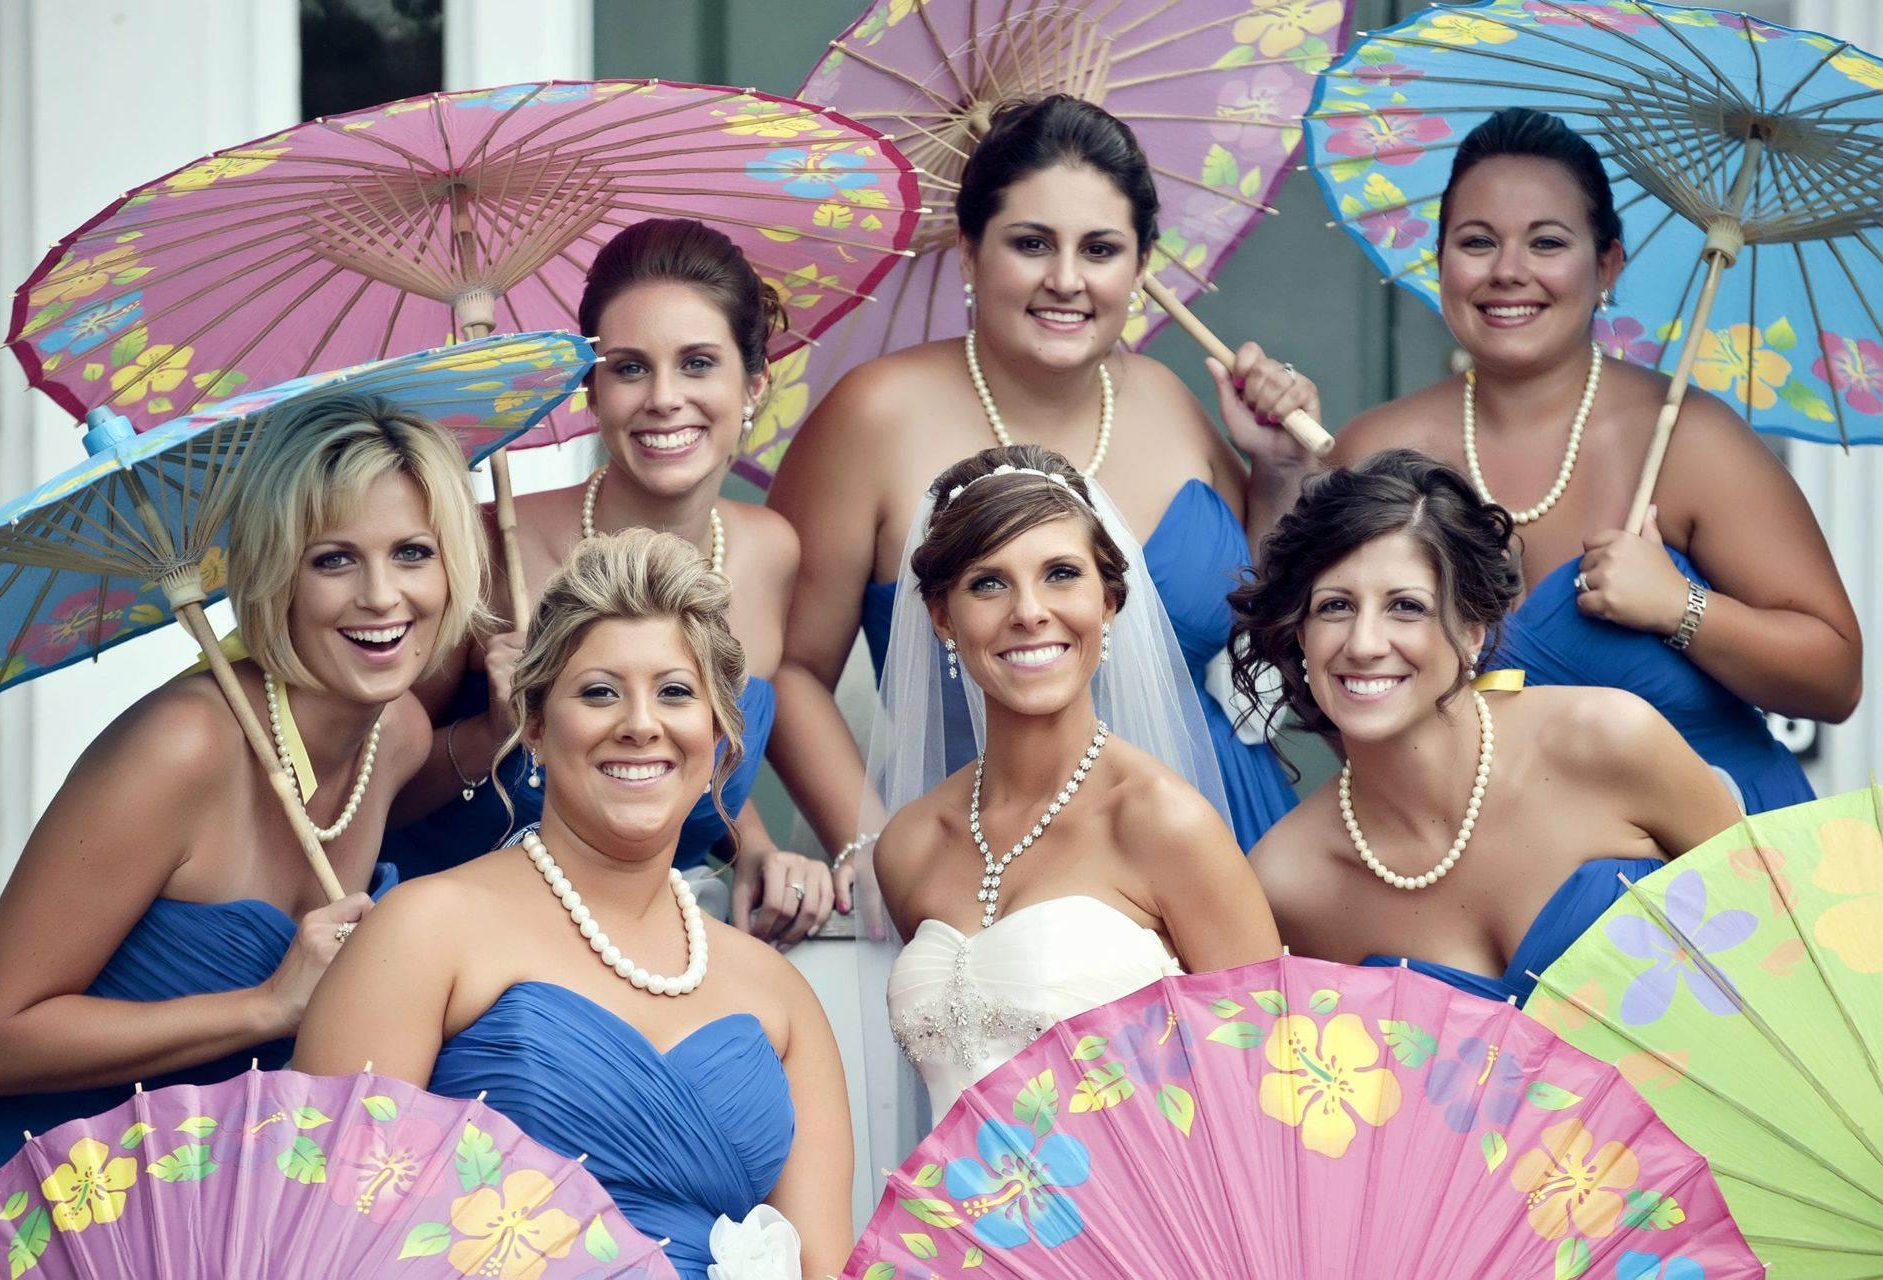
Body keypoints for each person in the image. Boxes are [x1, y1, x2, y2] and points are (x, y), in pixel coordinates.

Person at [768, 94, 1320, 890]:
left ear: (1141, 264)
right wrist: (877, 849)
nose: (1066, 280)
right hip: (992, 867)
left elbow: (1262, 626)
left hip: (1227, 829)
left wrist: (1278, 469)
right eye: (1031, 244)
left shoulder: (1169, 399)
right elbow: (788, 669)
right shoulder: (873, 417)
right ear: (969, 252)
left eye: (1100, 249)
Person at [296, 528, 851, 1280]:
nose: (640, 724)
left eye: (676, 692)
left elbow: (825, 1263)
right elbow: (325, 1238)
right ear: (533, 724)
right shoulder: (426, 930)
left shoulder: (779, 995)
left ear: (722, 736)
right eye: (598, 692)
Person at [0, 395, 482, 1179]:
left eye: (412, 552)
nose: (381, 595)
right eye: (332, 559)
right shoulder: (181, 749)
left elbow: (425, 789)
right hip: (34, 1196)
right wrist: (267, 1005)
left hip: (219, 1200)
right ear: (275, 574)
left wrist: (506, 725)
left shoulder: (398, 733)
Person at [1296, 108, 1860, 812]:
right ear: (1440, 261)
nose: (1508, 271)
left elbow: (1836, 679)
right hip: (1488, 859)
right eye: (1477, 242)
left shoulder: (1688, 440)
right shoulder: (1375, 453)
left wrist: (1681, 608)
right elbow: (1322, 670)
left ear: (1607, 266)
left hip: (1719, 847)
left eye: (1547, 242)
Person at [387, 218, 834, 946]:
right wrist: (487, 733)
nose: (663, 397)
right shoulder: (485, 549)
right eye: (629, 368)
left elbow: (679, 750)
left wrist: (751, 847)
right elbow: (366, 793)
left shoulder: (770, 552)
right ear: (592, 392)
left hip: (649, 945)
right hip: (454, 945)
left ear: (754, 384)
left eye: (697, 363)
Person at [1229, 450, 1742, 1004]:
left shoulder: (1609, 738)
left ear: (1472, 632)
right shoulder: (1289, 882)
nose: (1364, 644)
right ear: (1302, 635)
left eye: (1406, 607)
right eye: (1335, 607)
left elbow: (1778, 925)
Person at [867, 445, 1282, 1124]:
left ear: (1109, 600)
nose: (1029, 611)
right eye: (988, 583)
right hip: (952, 1199)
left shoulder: (1166, 825)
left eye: (1061, 574)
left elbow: (1266, 1089)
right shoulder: (910, 845)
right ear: (942, 618)